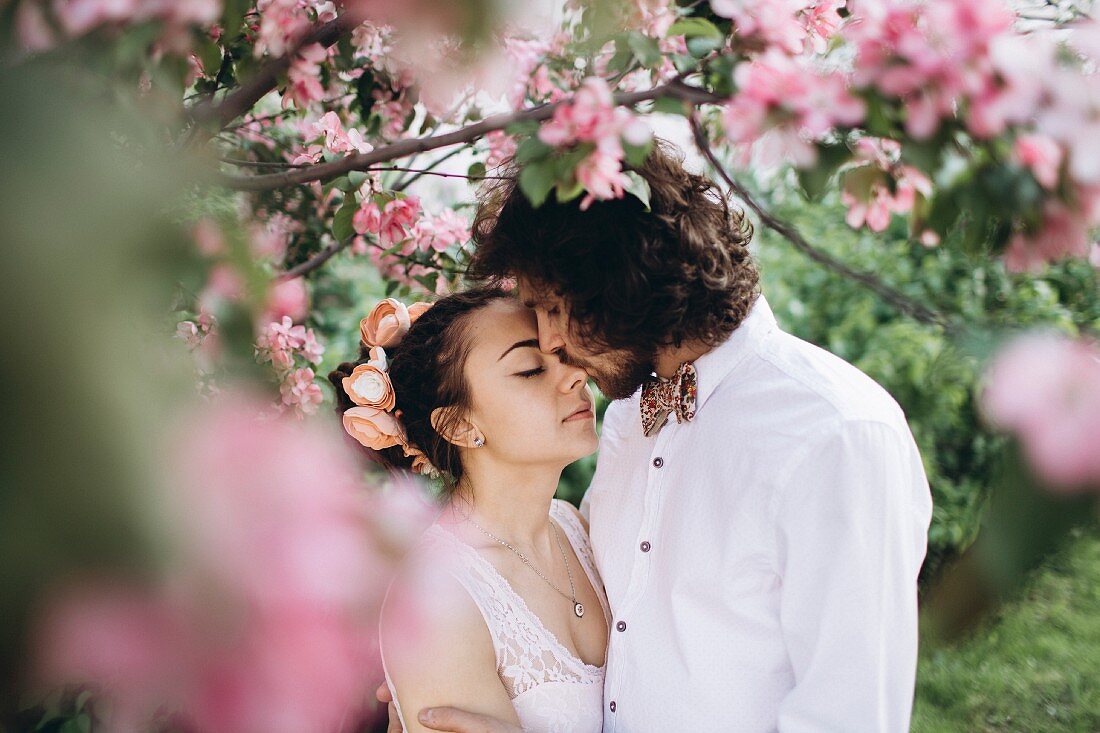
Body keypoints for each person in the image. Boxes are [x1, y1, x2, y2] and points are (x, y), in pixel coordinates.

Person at [397, 140, 934, 732]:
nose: (550, 342)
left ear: (614, 286)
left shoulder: (835, 434)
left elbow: (850, 719)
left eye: (552, 307)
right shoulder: (631, 419)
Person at [330, 288, 612, 733]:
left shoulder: (574, 525)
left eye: (563, 354)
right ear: (459, 425)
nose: (575, 375)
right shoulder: (438, 598)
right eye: (531, 370)